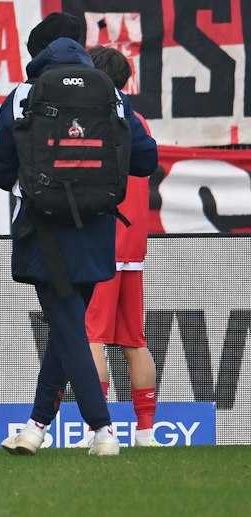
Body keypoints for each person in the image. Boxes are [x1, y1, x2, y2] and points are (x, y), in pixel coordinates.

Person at [0, 13, 158, 457]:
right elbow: (145, 160)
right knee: (66, 327)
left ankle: (102, 430)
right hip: (99, 224)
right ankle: (35, 427)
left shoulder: (24, 93)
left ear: (37, 52)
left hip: (42, 226)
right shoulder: (111, 94)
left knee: (68, 327)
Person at [84, 46, 159, 448]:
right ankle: (146, 432)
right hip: (133, 248)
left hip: (101, 244)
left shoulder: (95, 120)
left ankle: (100, 431)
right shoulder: (140, 121)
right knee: (135, 340)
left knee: (90, 337)